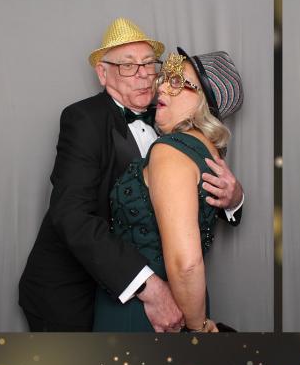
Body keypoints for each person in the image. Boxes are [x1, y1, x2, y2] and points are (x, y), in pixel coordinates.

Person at [18, 18, 243, 332]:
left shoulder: (172, 117)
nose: (144, 74)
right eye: (127, 65)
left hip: (157, 291)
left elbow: (188, 197)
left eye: (149, 63)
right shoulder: (84, 119)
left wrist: (233, 199)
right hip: (73, 289)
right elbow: (71, 215)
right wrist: (148, 286)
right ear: (102, 73)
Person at [93, 48, 243, 331]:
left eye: (176, 81)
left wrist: (195, 330)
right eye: (164, 78)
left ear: (202, 102)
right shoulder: (207, 152)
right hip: (185, 302)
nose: (159, 86)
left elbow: (186, 264)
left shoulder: (170, 151)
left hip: (148, 313)